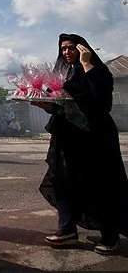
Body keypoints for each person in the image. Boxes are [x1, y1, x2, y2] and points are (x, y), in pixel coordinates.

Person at [32, 33, 128, 255]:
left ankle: (110, 236)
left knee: (100, 186)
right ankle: (66, 231)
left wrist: (87, 64)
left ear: (84, 49)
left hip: (94, 140)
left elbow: (101, 98)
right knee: (62, 181)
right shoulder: (61, 76)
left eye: (71, 48)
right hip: (66, 139)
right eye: (63, 48)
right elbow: (57, 105)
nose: (67, 52)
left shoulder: (98, 71)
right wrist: (45, 105)